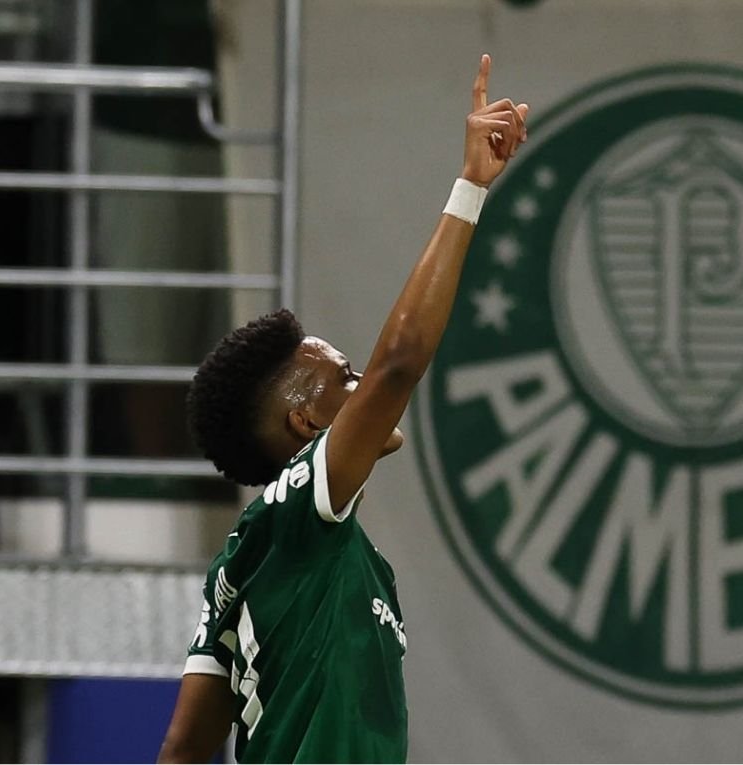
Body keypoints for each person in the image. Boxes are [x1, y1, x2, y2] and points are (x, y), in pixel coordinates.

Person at [157, 54, 528, 764]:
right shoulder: (303, 508)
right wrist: (471, 188)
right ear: (305, 424)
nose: (364, 387)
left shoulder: (246, 558)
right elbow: (402, 360)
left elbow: (183, 748)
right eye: (342, 378)